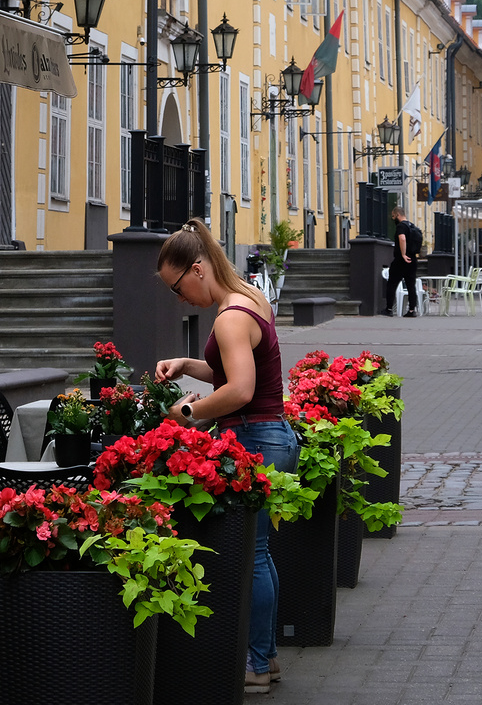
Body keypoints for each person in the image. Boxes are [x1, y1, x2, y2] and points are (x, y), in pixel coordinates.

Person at [154, 219, 298, 694]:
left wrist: (189, 410)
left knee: (252, 558)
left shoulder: (228, 317)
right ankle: (267, 657)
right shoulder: (248, 299)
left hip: (256, 436)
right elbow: (228, 368)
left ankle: (255, 664)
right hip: (272, 433)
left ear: (198, 269)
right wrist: (187, 365)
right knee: (260, 553)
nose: (179, 299)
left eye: (178, 287)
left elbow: (239, 388)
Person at [384, 207, 417, 317]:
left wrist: (403, 254)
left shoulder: (401, 226)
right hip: (412, 259)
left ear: (398, 214)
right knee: (411, 285)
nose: (393, 219)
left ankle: (389, 309)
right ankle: (412, 310)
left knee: (392, 284)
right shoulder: (412, 226)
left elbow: (402, 239)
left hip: (401, 260)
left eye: (393, 216)